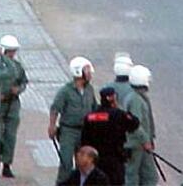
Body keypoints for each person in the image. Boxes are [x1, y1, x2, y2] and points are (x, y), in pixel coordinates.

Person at [48, 56, 97, 185]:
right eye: (86, 70)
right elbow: (55, 109)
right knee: (66, 163)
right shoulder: (65, 91)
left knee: (84, 163)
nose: (89, 73)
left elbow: (94, 108)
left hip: (85, 131)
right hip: (68, 131)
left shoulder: (89, 90)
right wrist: (52, 126)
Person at [81, 87, 140, 185]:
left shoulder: (90, 116)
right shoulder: (118, 114)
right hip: (114, 158)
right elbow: (134, 123)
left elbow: (84, 140)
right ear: (112, 98)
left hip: (95, 159)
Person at [0, 35, 28, 178]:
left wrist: (18, 89)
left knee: (10, 136)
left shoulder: (17, 66)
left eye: (13, 51)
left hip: (13, 104)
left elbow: (24, 82)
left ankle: (7, 164)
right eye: (9, 51)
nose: (12, 54)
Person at [124, 65, 158, 186]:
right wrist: (146, 141)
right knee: (133, 176)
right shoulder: (135, 100)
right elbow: (135, 124)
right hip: (136, 145)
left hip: (141, 145)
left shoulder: (137, 97)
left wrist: (150, 138)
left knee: (149, 176)